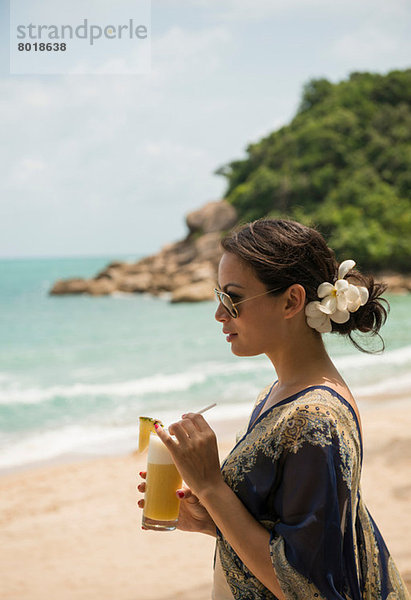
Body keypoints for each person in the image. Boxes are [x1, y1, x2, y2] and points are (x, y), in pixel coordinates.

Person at [138, 218, 409, 599]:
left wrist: (210, 486)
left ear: (291, 301)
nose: (219, 314)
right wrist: (210, 519)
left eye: (232, 298)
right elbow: (283, 533)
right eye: (219, 296)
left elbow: (308, 586)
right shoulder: (278, 393)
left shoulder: (315, 418)